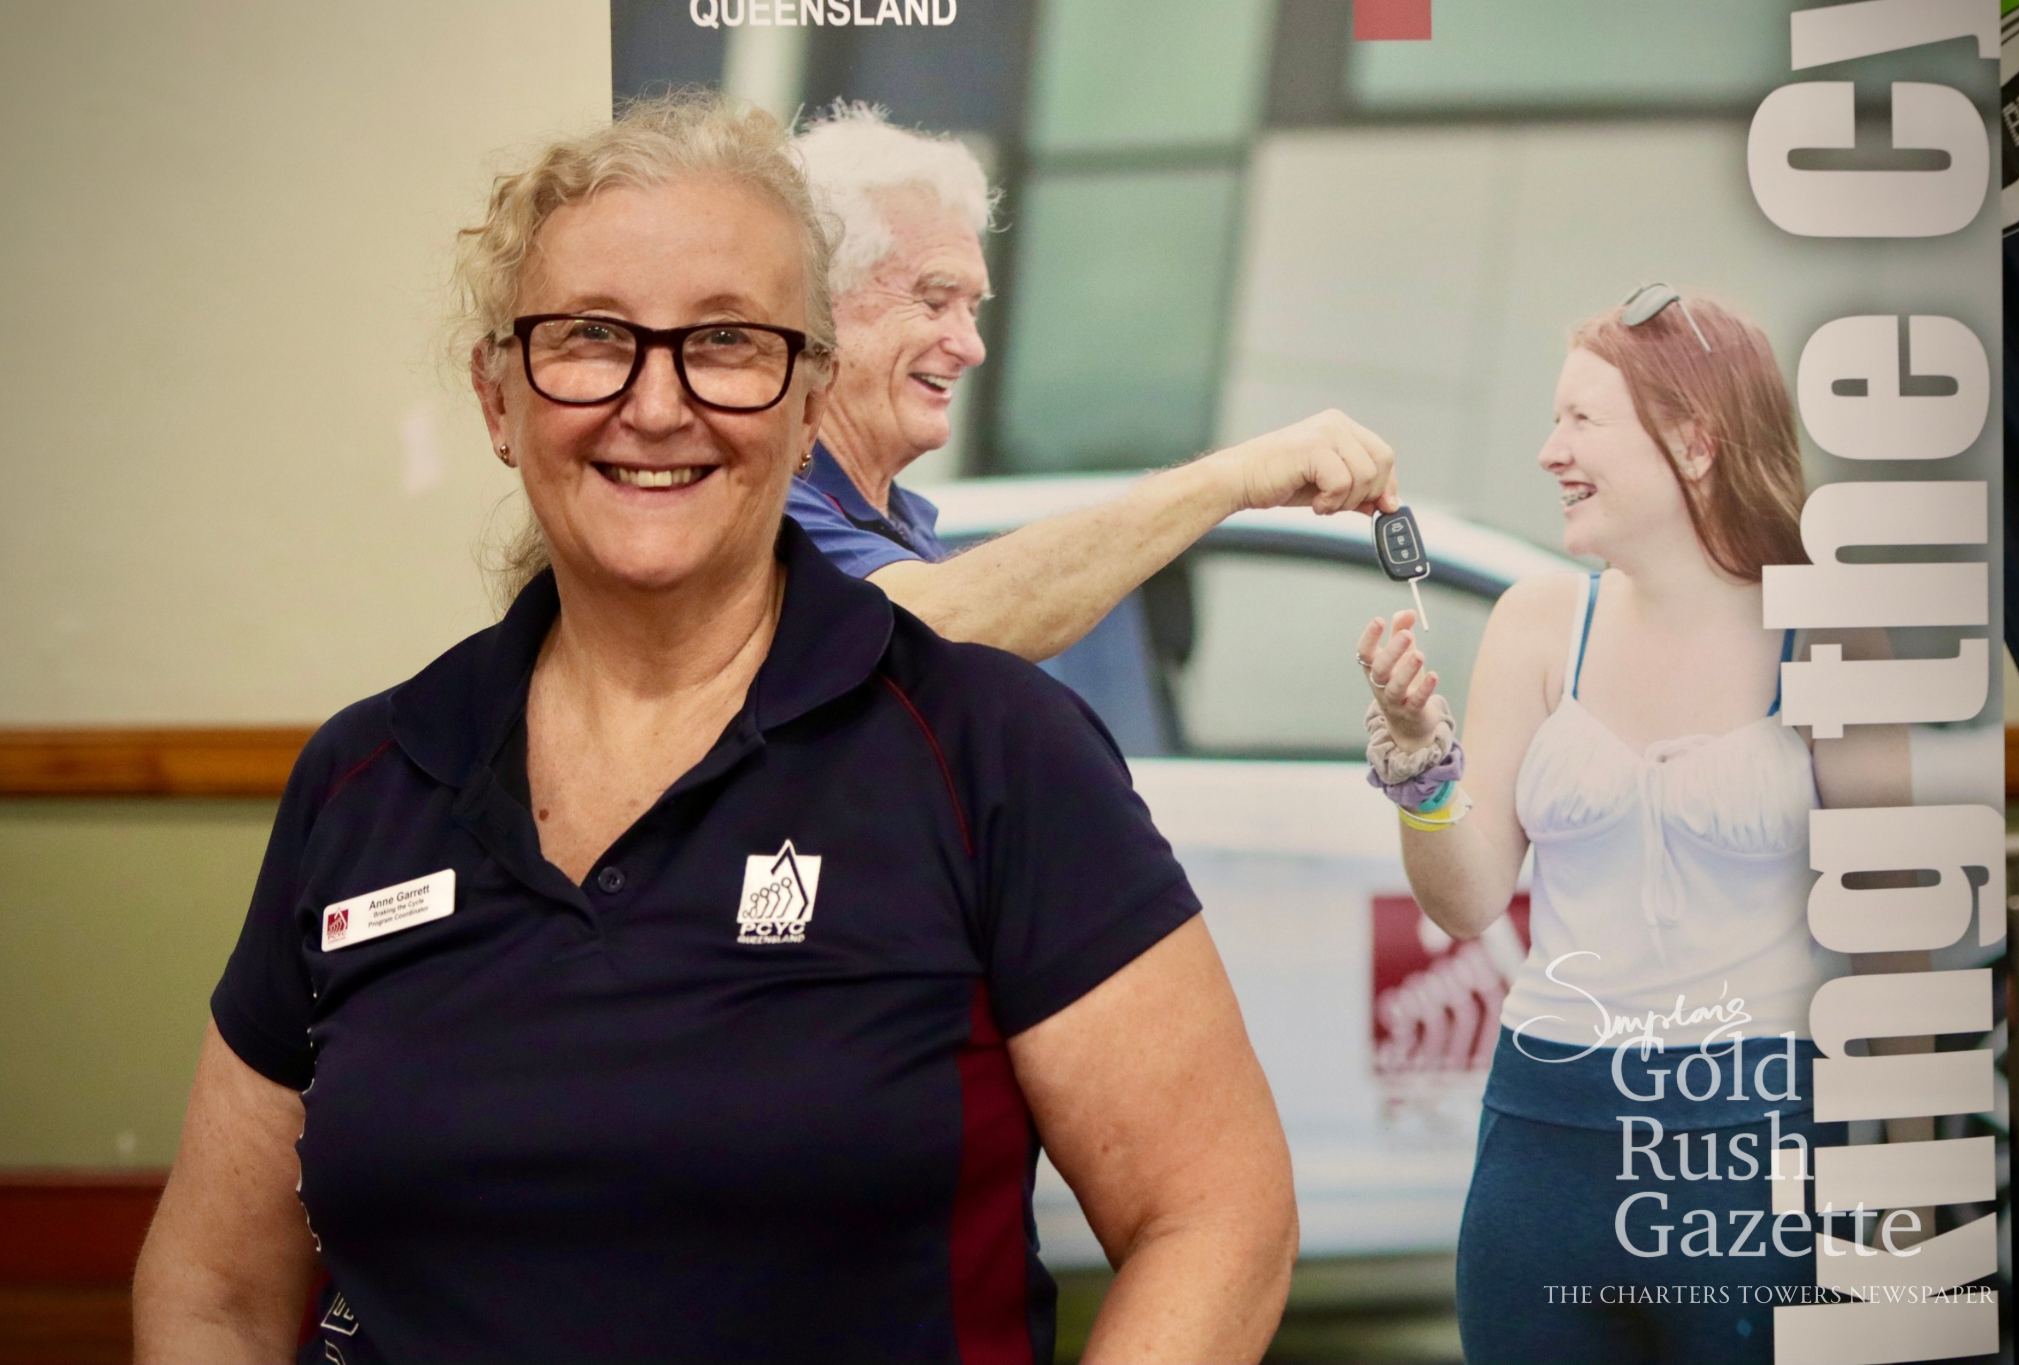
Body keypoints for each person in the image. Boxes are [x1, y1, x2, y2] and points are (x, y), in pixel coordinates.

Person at [131, 93, 1297, 1365]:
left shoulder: (993, 753)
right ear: (499, 397)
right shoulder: (364, 780)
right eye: (589, 339)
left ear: (805, 400)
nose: (654, 403)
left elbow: (1212, 1216)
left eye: (727, 343)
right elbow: (215, 1290)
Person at [1355, 287, 1912, 1364]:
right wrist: (1419, 761)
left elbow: (1894, 949)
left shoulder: (1829, 634)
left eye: (1578, 421)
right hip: (1542, 1136)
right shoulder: (1534, 623)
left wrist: (1908, 1203)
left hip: (1756, 1140)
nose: (1545, 450)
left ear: (1693, 442)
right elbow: (1466, 901)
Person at [788, 103, 1400, 669]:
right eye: (934, 299)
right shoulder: (767, 504)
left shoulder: (897, 519)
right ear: (819, 306)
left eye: (973, 308)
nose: (971, 347)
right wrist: (1231, 479)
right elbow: (924, 627)